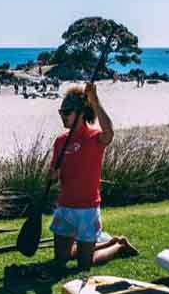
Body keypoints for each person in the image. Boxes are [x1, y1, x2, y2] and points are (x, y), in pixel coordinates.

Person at [49, 84, 137, 270]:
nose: (62, 116)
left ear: (81, 113)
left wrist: (94, 100)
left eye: (66, 111)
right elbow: (54, 175)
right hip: (65, 206)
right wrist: (52, 176)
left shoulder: (93, 138)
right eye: (60, 112)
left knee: (85, 263)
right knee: (61, 257)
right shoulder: (60, 141)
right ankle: (108, 242)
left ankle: (118, 247)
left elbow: (109, 133)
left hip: (87, 209)